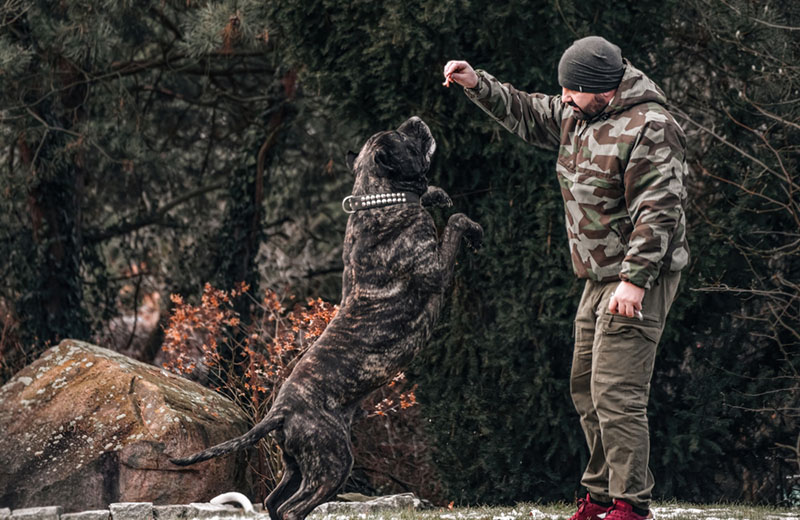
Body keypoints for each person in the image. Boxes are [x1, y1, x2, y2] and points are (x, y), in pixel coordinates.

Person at [443, 36, 689, 520]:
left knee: (617, 392)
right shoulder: (579, 114)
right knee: (585, 386)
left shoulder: (651, 127)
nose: (563, 100)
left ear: (602, 89)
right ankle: (599, 496)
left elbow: (659, 211)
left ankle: (630, 504)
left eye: (571, 91)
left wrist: (635, 282)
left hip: (639, 277)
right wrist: (477, 83)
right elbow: (530, 110)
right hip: (598, 276)